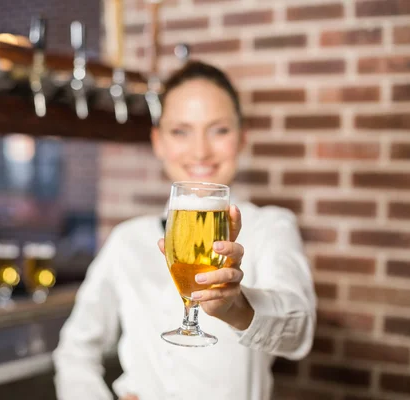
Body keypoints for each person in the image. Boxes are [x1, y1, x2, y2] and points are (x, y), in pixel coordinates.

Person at [53, 61, 316, 400]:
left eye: (218, 130)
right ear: (158, 142)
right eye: (180, 131)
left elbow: (299, 331)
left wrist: (237, 307)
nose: (200, 150)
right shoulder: (127, 240)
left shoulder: (271, 226)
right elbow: (75, 349)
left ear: (242, 138)